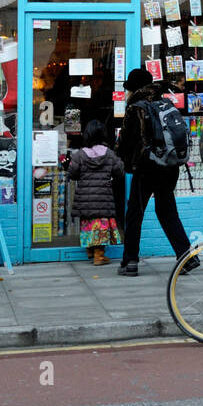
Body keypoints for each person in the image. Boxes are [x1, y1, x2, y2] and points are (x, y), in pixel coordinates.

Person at [116, 68, 193, 277]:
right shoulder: (165, 103)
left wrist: (122, 160)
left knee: (134, 214)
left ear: (133, 89)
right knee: (167, 211)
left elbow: (127, 143)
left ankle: (130, 261)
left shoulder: (137, 108)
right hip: (170, 167)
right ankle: (186, 256)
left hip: (147, 169)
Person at [69, 120, 124, 266]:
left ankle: (90, 251)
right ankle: (99, 255)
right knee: (101, 225)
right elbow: (119, 172)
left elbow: (72, 174)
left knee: (88, 223)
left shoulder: (79, 155)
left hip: (85, 199)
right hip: (103, 197)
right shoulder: (109, 154)